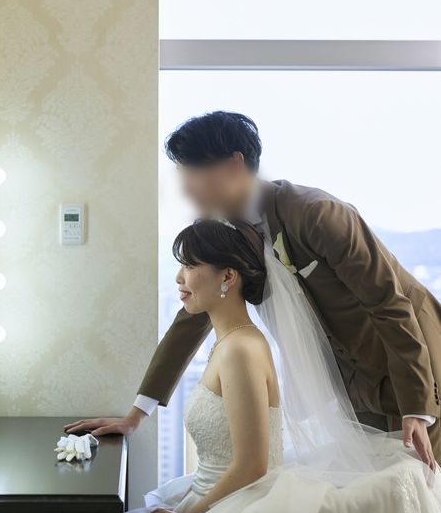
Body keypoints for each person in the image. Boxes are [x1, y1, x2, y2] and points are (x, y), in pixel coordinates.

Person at [66, 111, 441, 468]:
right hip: (353, 388)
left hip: (418, 367)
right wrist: (136, 416)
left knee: (425, 484)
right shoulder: (226, 231)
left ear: (234, 165)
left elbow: (388, 303)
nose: (184, 187)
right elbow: (195, 312)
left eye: (192, 172)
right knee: (380, 495)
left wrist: (416, 406)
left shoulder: (318, 214)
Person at [122, 219, 441, 513]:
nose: (179, 277)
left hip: (234, 507)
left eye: (189, 265)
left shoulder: (240, 350)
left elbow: (252, 465)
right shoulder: (230, 342)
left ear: (228, 276)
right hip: (216, 496)